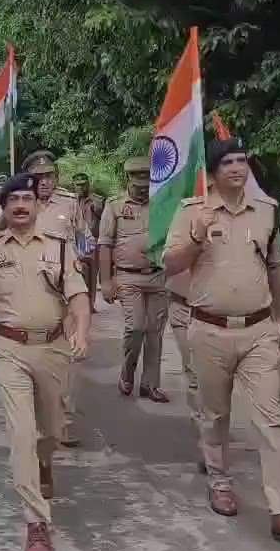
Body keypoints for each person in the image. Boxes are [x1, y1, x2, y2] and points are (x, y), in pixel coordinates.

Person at [163, 137, 280, 539]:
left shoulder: (266, 212)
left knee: (271, 419)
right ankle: (220, 482)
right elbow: (170, 264)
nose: (237, 167)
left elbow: (277, 264)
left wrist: (279, 316)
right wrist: (195, 238)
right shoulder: (191, 212)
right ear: (212, 172)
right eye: (227, 161)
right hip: (209, 328)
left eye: (242, 160)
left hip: (259, 329)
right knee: (215, 415)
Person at [0, 173, 90, 551]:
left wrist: (83, 331)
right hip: (8, 347)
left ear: (37, 205)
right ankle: (36, 523)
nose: (22, 205)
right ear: (4, 208)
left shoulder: (60, 248)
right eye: (14, 200)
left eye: (28, 198)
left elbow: (78, 295)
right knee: (21, 433)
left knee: (49, 430)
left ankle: (46, 461)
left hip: (53, 348)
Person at [21, 150, 92, 447]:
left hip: (63, 287)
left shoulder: (69, 203)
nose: (45, 183)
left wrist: (84, 260)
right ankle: (36, 417)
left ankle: (63, 422)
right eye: (39, 178)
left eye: (49, 176)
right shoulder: (21, 204)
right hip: (30, 289)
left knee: (66, 356)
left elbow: (84, 238)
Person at [99, 157, 170, 402]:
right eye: (137, 184)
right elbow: (105, 244)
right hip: (128, 277)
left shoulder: (163, 204)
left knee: (154, 333)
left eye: (146, 184)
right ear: (129, 180)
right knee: (136, 327)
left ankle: (150, 384)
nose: (142, 189)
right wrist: (106, 281)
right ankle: (127, 373)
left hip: (159, 276)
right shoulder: (115, 206)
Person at [73, 172, 105, 313]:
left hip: (92, 241)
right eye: (78, 185)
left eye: (83, 184)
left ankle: (90, 304)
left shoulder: (97, 200)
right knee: (76, 272)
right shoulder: (70, 201)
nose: (81, 187)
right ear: (73, 185)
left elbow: (103, 218)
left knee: (91, 275)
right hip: (74, 240)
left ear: (88, 184)